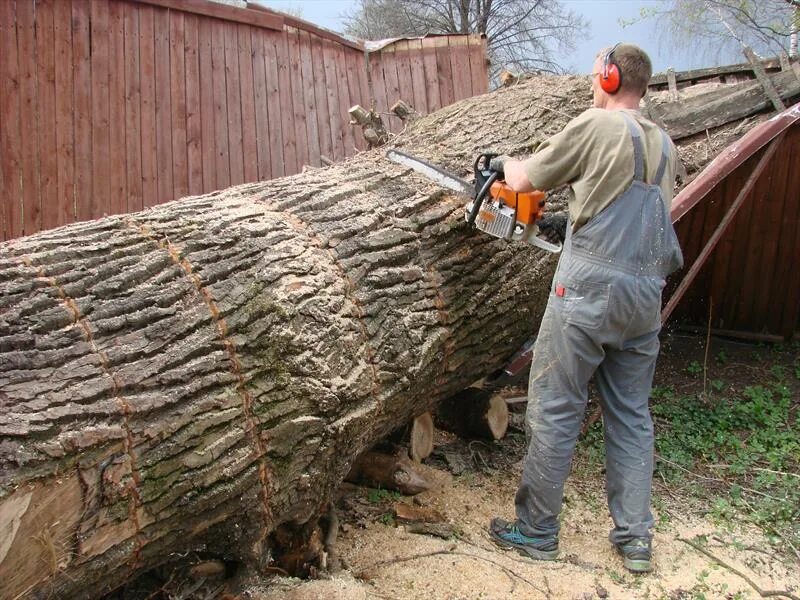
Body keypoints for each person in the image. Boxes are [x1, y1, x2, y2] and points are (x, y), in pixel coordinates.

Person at [487, 43, 683, 574]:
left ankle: (536, 531)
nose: (594, 83)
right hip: (645, 295)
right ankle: (636, 539)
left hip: (589, 289)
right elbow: (625, 208)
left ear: (611, 78)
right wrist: (569, 220)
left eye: (598, 75)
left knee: (555, 403)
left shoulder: (595, 124)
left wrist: (502, 162)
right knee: (630, 414)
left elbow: (526, 180)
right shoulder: (665, 144)